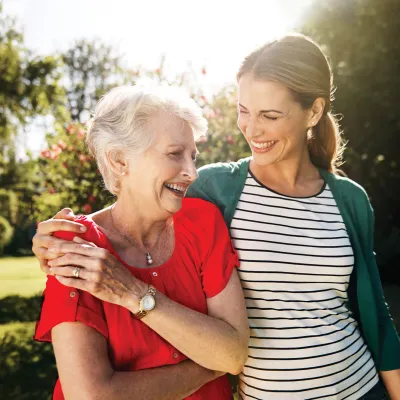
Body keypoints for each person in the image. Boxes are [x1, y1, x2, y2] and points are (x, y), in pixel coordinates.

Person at [33, 35, 400, 399]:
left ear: (314, 112)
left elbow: (376, 318)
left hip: (361, 387)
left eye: (270, 115)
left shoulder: (348, 199)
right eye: (243, 110)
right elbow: (139, 194)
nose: (251, 129)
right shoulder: (217, 189)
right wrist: (59, 237)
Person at [33, 83, 250, 400]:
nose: (191, 172)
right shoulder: (76, 244)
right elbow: (91, 395)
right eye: (175, 154)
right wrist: (209, 364)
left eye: (193, 156)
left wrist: (134, 293)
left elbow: (232, 353)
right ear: (120, 161)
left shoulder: (202, 221)